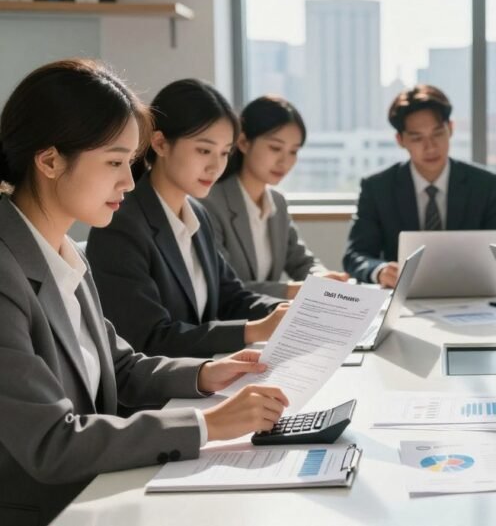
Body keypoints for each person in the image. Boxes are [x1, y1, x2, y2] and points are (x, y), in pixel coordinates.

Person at [0, 59, 289, 525]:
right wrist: (207, 424)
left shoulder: (68, 253)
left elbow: (121, 366)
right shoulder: (5, 273)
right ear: (50, 160)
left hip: (100, 494)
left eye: (130, 164)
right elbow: (50, 442)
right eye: (115, 162)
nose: (129, 183)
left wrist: (205, 375)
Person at [87, 79, 288, 358]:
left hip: (201, 379)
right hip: (158, 396)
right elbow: (149, 338)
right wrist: (254, 331)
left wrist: (289, 313)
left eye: (224, 153)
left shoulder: (197, 214)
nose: (216, 166)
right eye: (204, 150)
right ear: (160, 143)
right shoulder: (121, 223)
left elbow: (232, 297)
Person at [343, 84, 496, 287]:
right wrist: (380, 271)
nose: (431, 146)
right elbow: (355, 255)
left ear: (450, 129)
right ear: (400, 140)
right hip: (404, 298)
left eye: (437, 134)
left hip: (471, 294)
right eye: (417, 138)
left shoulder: (483, 184)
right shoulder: (378, 187)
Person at [201, 95, 348, 299]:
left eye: (293, 152)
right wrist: (294, 290)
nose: (285, 161)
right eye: (275, 148)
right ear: (243, 142)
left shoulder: (277, 201)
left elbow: (301, 261)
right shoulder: (210, 203)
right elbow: (222, 287)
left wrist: (321, 277)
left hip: (269, 318)